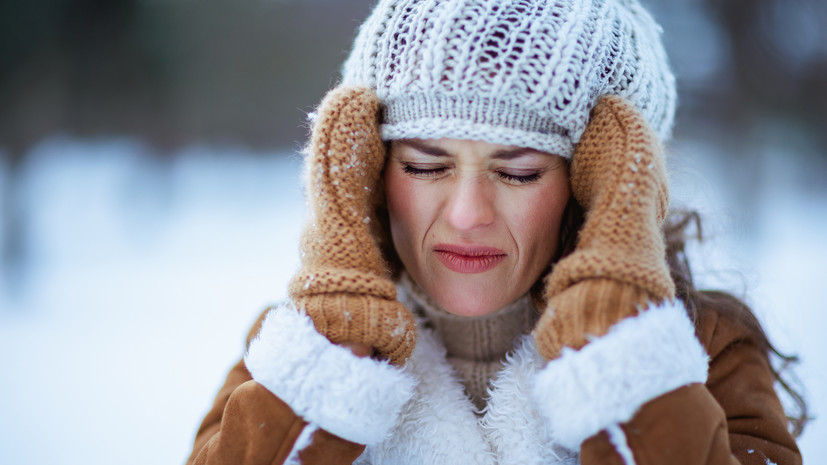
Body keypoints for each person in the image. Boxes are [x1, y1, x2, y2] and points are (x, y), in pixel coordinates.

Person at [186, 0, 804, 463]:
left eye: (519, 171)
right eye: (425, 165)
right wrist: (335, 358)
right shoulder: (297, 352)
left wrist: (619, 341)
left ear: (601, 182)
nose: (466, 213)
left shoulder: (702, 352)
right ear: (369, 168)